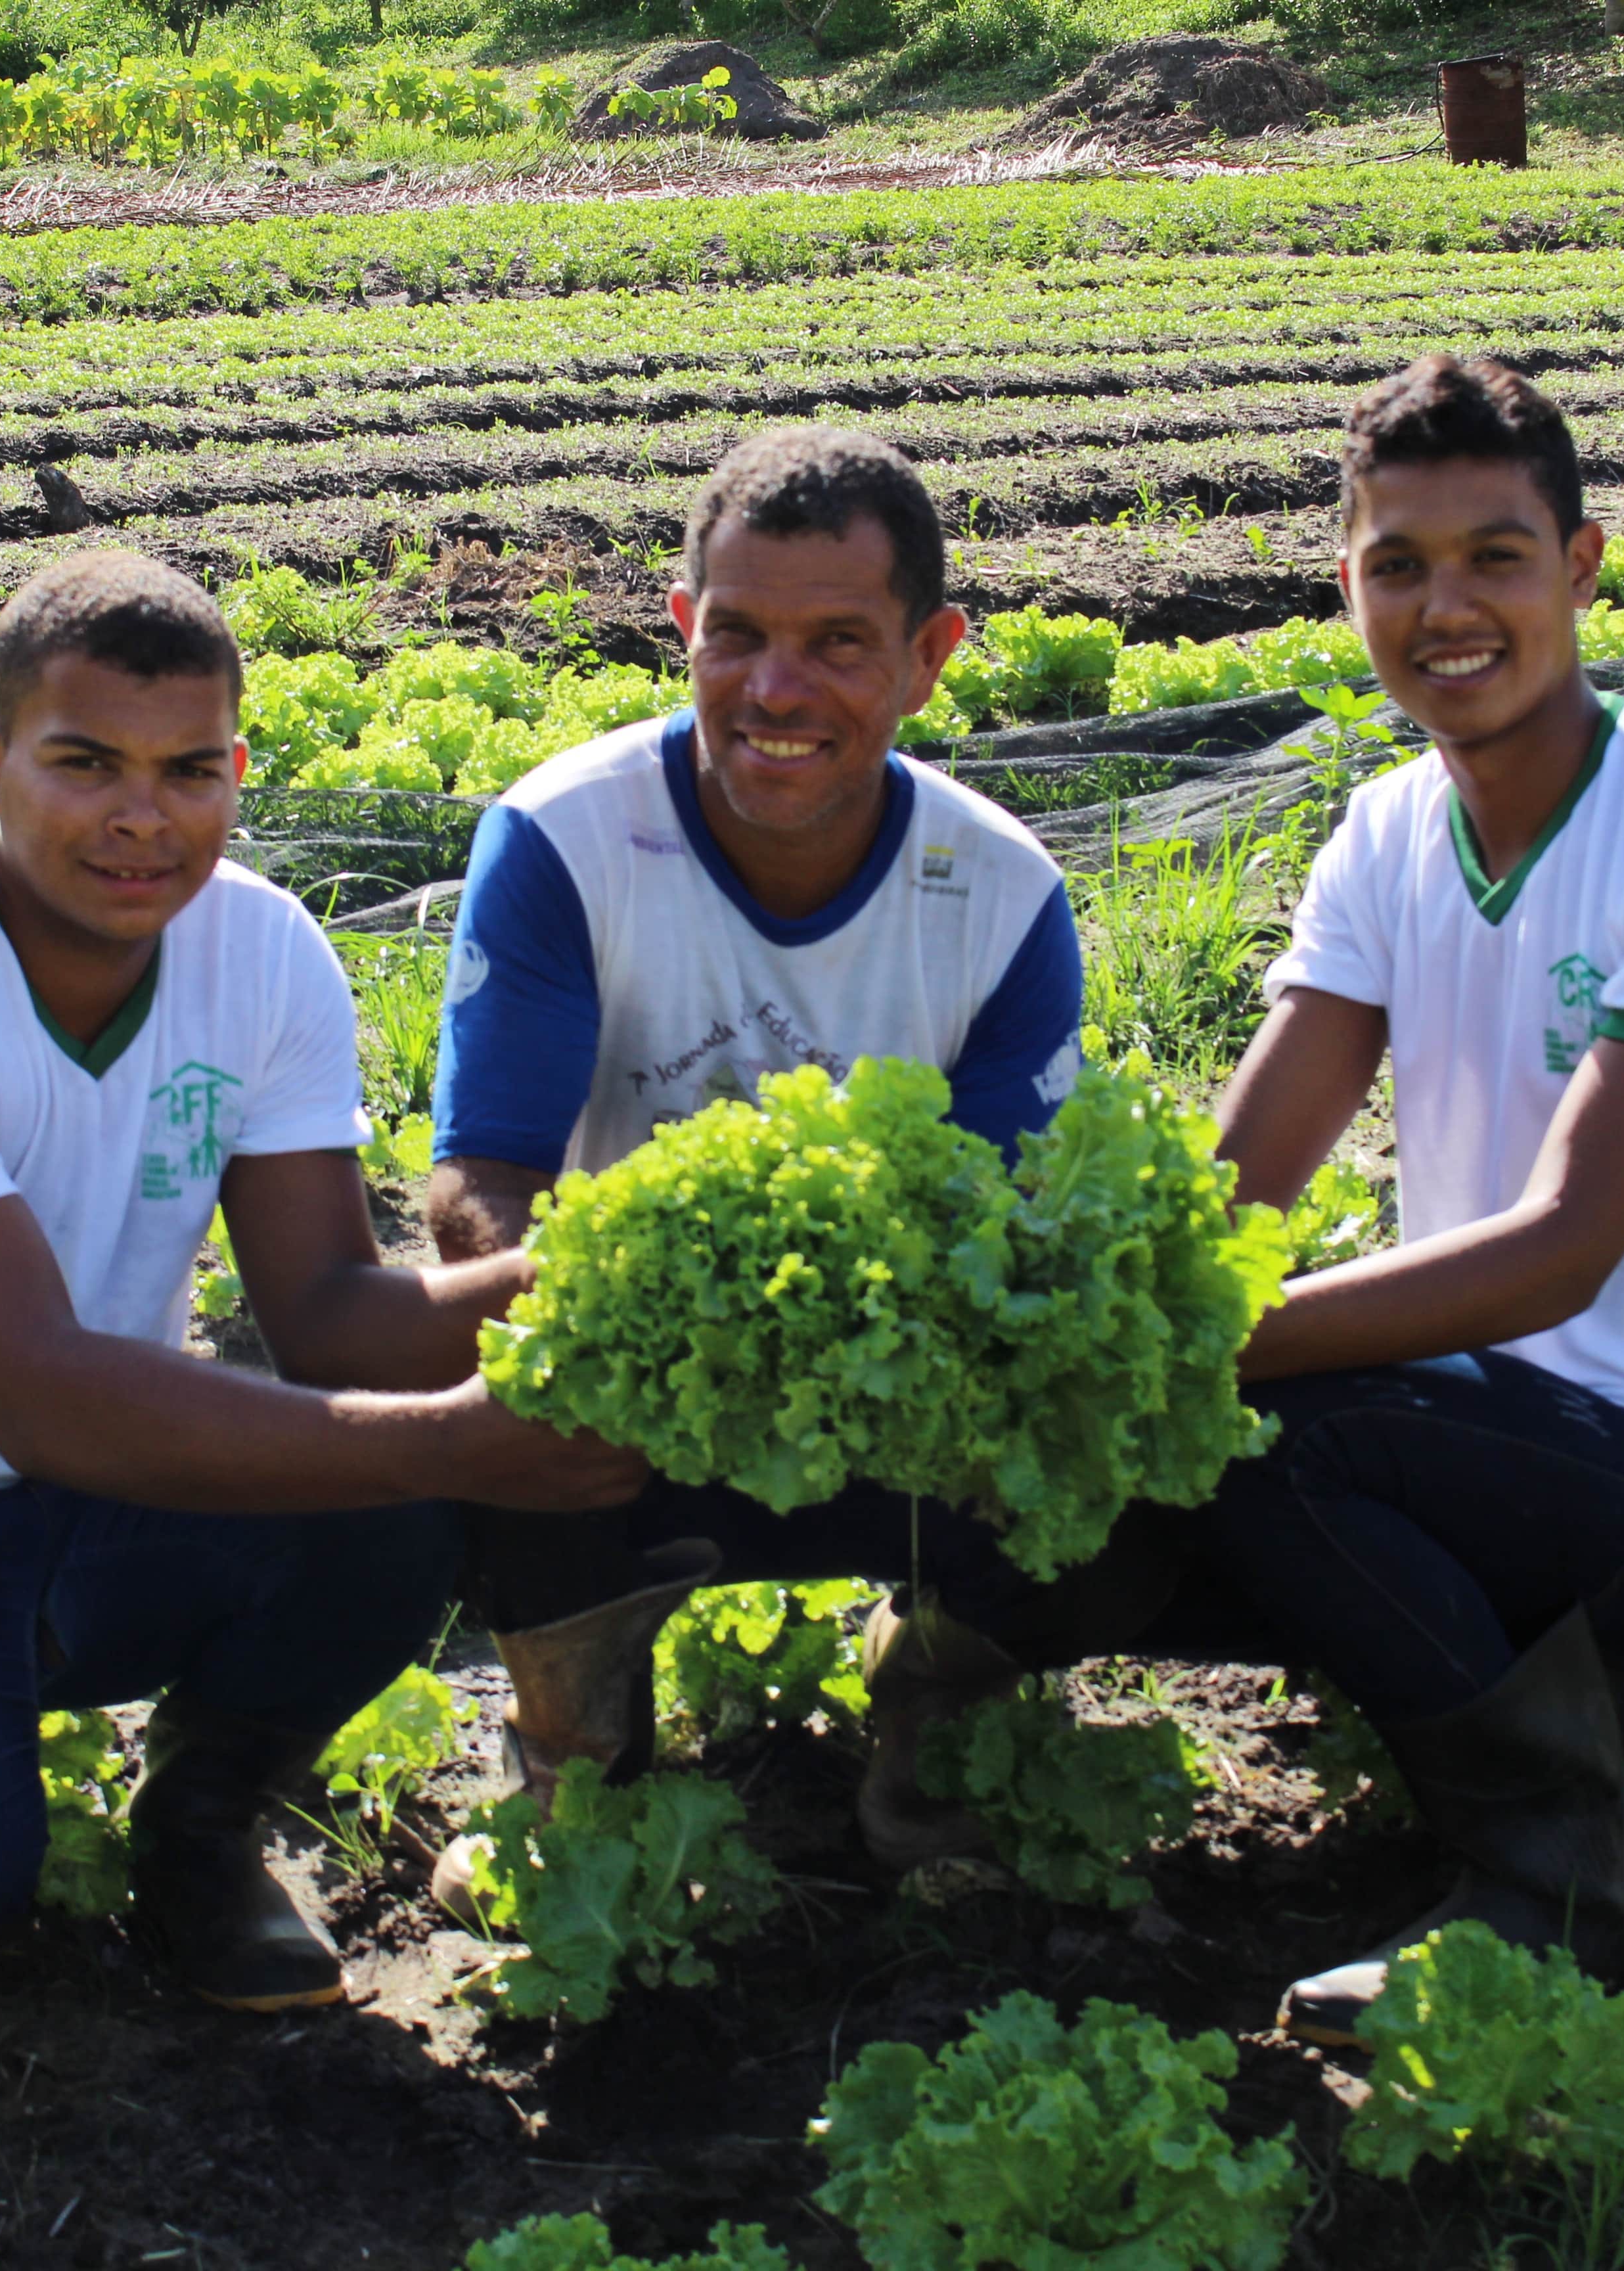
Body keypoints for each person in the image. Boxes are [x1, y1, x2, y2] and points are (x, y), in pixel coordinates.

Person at [0, 551, 642, 2012]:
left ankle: (200, 1829)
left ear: (238, 771)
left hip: (99, 1495)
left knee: (403, 1503)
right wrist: (468, 1435)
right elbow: (45, 1392)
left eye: (189, 771)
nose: (141, 818)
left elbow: (326, 1319)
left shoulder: (263, 948)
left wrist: (629, 1277)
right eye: (85, 763)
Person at [1204, 356, 1624, 2043]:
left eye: (1496, 557)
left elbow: (1564, 1250)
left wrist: (1197, 1344)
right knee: (1153, 1470)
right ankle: (1581, 1694)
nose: (1448, 608)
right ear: (1347, 583)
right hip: (1522, 1430)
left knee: (1269, 1428)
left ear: (1582, 568)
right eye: (1399, 564)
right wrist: (1096, 1318)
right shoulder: (1383, 831)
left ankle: (1556, 1886)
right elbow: (1243, 1171)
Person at [424, 426, 1133, 1895]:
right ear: (682, 627)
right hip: (641, 1393)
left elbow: (1009, 1235)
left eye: (838, 643)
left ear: (932, 655)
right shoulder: (564, 839)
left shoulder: (998, 894)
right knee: (484, 1385)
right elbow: (477, 1182)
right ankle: (576, 1750)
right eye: (736, 635)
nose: (776, 690)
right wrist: (582, 1308)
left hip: (899, 1405)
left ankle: (935, 1715)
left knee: (1102, 1421)